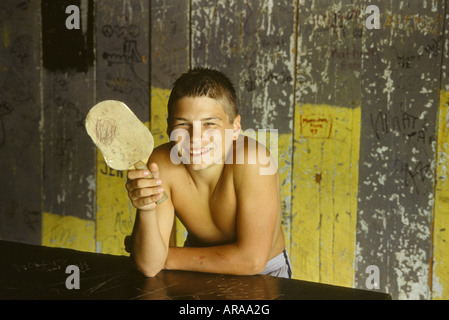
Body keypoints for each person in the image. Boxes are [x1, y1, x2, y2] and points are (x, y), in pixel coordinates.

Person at [125, 67, 292, 278]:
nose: (195, 138)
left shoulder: (254, 160)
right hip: (193, 268)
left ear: (235, 127)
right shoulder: (162, 163)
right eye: (183, 124)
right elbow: (149, 266)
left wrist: (163, 257)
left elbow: (252, 261)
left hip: (263, 274)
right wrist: (146, 210)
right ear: (168, 128)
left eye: (209, 124)